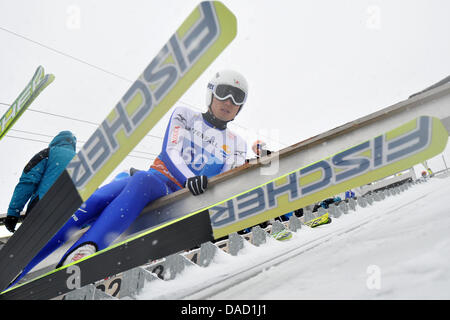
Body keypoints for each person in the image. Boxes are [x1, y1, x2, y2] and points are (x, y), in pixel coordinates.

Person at [12, 70, 249, 283]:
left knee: (142, 180)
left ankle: (84, 253)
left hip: (178, 195)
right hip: (158, 179)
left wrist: (193, 184)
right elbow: (170, 151)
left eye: (237, 98)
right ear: (210, 94)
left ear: (241, 107)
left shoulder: (237, 143)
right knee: (99, 197)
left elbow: (227, 177)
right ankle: (21, 262)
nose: (229, 102)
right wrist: (189, 177)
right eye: (224, 93)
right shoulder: (185, 115)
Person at [4, 131, 77, 233]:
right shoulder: (81, 160)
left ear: (56, 140)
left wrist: (13, 213)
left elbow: (27, 182)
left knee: (32, 243)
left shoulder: (47, 153)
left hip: (42, 209)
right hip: (73, 213)